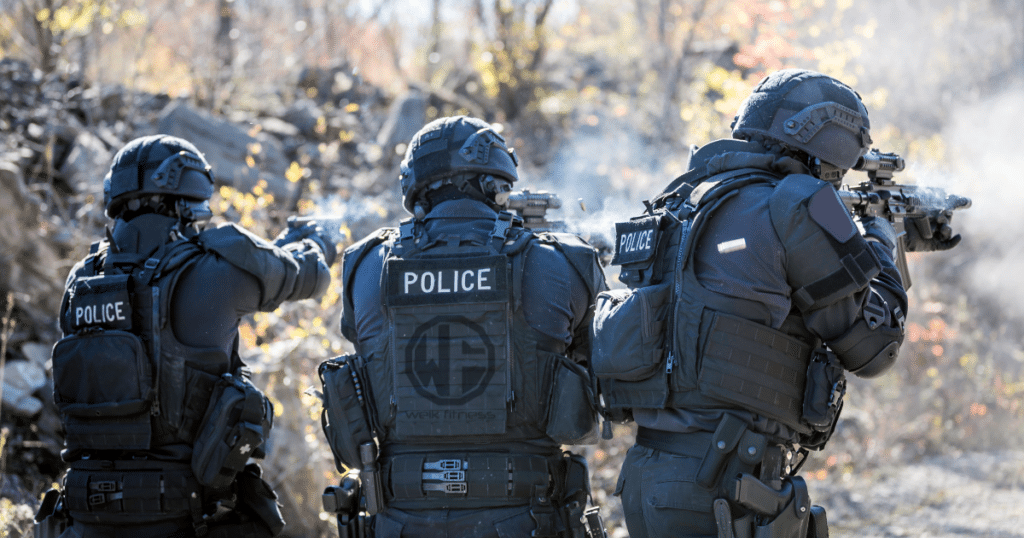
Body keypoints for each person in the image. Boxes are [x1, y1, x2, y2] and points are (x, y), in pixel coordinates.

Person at [591, 69, 928, 538]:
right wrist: (882, 239)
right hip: (728, 482)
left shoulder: (678, 203)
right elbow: (875, 347)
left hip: (647, 478)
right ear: (828, 144)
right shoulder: (802, 203)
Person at [34, 134, 336, 538]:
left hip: (87, 513)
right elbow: (308, 276)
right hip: (183, 515)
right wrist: (318, 241)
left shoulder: (81, 280)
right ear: (188, 199)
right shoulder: (219, 267)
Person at [320, 115, 607, 538]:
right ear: (498, 183)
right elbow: (593, 366)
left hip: (399, 518)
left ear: (417, 186)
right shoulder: (562, 260)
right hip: (526, 515)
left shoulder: (365, 263)